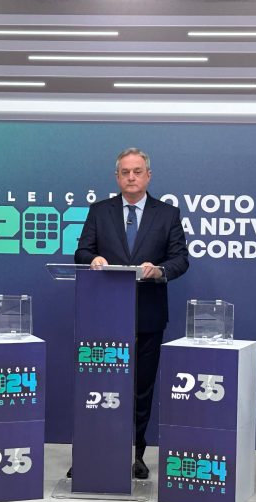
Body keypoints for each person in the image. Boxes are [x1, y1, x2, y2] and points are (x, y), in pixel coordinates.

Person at [74, 148, 189, 479]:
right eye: (125, 172)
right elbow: (82, 250)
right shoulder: (100, 211)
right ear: (117, 177)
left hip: (148, 316)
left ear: (148, 175)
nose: (131, 177)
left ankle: (136, 453)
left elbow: (180, 260)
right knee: (98, 385)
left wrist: (159, 271)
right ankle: (92, 451)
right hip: (104, 316)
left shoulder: (167, 214)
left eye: (137, 171)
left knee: (141, 388)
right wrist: (91, 260)